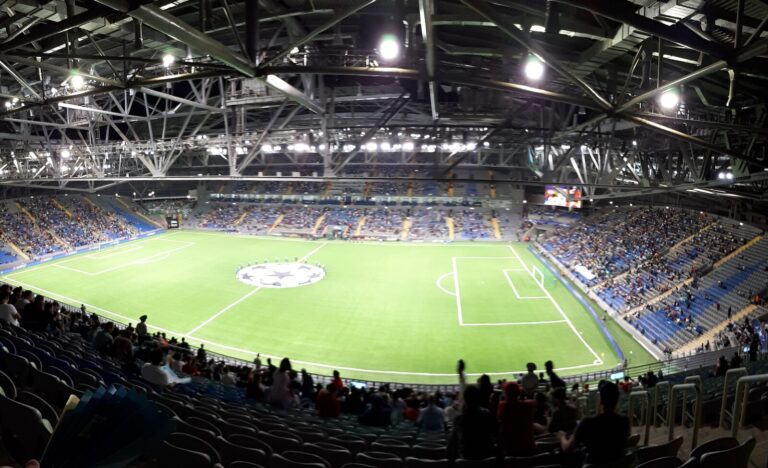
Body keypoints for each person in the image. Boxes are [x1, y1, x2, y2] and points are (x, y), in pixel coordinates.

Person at [559, 381, 629, 465]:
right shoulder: (625, 421)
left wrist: (561, 436)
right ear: (617, 400)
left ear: (600, 400)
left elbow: (567, 448)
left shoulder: (587, 422)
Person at [447, 385, 496, 460]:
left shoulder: (459, 418)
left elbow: (451, 446)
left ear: (465, 400)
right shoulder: (487, 414)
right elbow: (494, 437)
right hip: (487, 459)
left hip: (466, 461)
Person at [496, 382, 535, 457]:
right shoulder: (529, 405)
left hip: (511, 451)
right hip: (529, 449)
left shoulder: (503, 406)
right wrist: (522, 397)